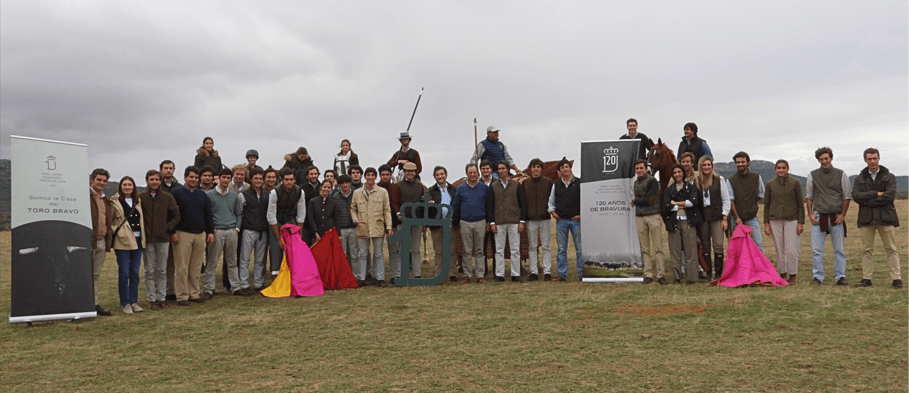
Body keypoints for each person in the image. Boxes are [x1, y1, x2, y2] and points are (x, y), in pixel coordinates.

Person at [851, 148, 903, 289]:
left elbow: (889, 196)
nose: (872, 161)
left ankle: (897, 279)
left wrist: (868, 202)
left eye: (875, 158)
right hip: (866, 219)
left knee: (891, 248)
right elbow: (856, 196)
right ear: (865, 160)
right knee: (867, 249)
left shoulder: (889, 176)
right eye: (869, 159)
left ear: (879, 158)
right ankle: (866, 279)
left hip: (886, 217)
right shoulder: (860, 178)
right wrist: (876, 193)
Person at [806, 147, 852, 286]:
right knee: (816, 249)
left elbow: (847, 196)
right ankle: (818, 277)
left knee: (839, 249)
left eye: (826, 158)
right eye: (821, 159)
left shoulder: (841, 174)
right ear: (818, 160)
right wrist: (810, 214)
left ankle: (840, 277)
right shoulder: (812, 175)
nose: (824, 161)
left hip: (836, 216)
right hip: (820, 215)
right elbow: (809, 196)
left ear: (831, 158)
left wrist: (843, 215)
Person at [170, 166, 215, 306]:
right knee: (182, 267)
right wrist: (172, 232)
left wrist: (211, 232)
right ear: (185, 177)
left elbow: (208, 215)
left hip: (200, 234)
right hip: (182, 234)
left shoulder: (202, 195)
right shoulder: (176, 193)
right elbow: (171, 214)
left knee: (195, 267)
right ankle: (182, 296)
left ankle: (194, 293)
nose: (194, 180)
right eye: (191, 177)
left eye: (196, 177)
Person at [138, 170, 180, 309]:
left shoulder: (167, 197)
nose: (154, 182)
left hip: (163, 239)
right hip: (148, 239)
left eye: (157, 179)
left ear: (160, 181)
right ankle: (152, 299)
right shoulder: (141, 197)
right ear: (147, 181)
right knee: (150, 271)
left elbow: (176, 215)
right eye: (152, 179)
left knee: (162, 270)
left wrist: (167, 228)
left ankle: (162, 298)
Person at [203, 168, 242, 300]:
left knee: (232, 262)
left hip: (231, 231)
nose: (226, 180)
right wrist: (211, 229)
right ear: (219, 178)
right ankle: (209, 289)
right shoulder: (209, 195)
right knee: (212, 262)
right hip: (217, 231)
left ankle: (235, 287)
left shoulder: (234, 196)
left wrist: (237, 228)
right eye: (223, 177)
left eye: (228, 178)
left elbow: (238, 213)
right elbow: (207, 215)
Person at [350, 167, 393, 287]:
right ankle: (361, 278)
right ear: (365, 177)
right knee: (362, 253)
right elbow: (353, 209)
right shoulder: (357, 193)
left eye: (372, 175)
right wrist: (356, 220)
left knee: (378, 253)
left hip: (377, 226)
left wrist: (388, 226)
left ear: (375, 177)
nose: (370, 177)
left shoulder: (383, 192)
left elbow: (387, 210)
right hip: (362, 226)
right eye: (368, 175)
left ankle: (379, 278)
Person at [763, 159, 804, 284]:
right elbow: (767, 205)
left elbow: (800, 204)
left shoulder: (795, 183)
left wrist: (800, 222)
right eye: (779, 168)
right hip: (774, 219)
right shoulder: (770, 184)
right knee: (779, 249)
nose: (781, 170)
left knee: (791, 248)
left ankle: (792, 274)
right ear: (775, 169)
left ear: (787, 169)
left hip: (791, 219)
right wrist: (766, 224)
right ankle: (782, 273)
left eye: (783, 168)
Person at [110, 176, 146, 314]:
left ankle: (134, 301)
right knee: (124, 273)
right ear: (120, 186)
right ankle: (125, 303)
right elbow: (111, 220)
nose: (127, 187)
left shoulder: (138, 201)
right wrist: (117, 231)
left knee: (135, 273)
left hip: (138, 241)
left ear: (133, 186)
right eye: (124, 184)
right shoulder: (115, 201)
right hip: (123, 241)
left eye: (130, 184)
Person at [452, 163, 492, 283]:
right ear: (467, 174)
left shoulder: (484, 188)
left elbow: (489, 206)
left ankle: (480, 275)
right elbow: (455, 206)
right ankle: (467, 275)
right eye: (470, 172)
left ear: (478, 173)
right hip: (465, 222)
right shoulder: (461, 188)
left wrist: (489, 221)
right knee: (467, 251)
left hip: (480, 222)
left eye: (474, 172)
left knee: (480, 250)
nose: (473, 175)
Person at [489, 161, 527, 282]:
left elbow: (523, 204)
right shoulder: (493, 186)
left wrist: (522, 221)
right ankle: (500, 275)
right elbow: (490, 206)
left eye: (503, 168)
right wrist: (492, 222)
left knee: (515, 250)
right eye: (499, 169)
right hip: (499, 221)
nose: (501, 171)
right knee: (499, 250)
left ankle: (515, 274)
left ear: (507, 170)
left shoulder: (516, 185)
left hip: (514, 221)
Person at [665, 164, 703, 284]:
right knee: (675, 251)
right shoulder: (669, 189)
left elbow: (693, 202)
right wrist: (683, 203)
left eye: (679, 172)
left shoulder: (690, 187)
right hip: (674, 222)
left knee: (690, 250)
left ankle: (691, 277)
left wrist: (675, 203)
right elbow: (667, 206)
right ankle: (677, 277)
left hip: (688, 221)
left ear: (683, 173)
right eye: (675, 172)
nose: (677, 174)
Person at [695, 156, 731, 281]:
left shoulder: (719, 179)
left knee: (718, 245)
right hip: (703, 217)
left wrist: (725, 217)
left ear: (712, 166)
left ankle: (719, 273)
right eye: (704, 165)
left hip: (717, 216)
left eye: (708, 165)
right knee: (705, 245)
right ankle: (708, 273)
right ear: (700, 166)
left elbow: (726, 200)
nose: (706, 167)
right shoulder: (696, 181)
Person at [631, 159, 667, 285]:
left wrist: (635, 201)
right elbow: (642, 199)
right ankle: (648, 274)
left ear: (646, 168)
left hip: (653, 216)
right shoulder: (635, 183)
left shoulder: (652, 181)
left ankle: (661, 275)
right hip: (640, 217)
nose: (639, 170)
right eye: (637, 169)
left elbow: (649, 200)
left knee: (658, 248)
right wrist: (639, 200)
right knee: (645, 249)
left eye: (641, 168)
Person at [267, 168, 307, 277]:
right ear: (282, 180)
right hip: (276, 220)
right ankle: (276, 274)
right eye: (286, 180)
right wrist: (279, 238)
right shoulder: (274, 192)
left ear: (294, 180)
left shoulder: (299, 191)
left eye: (291, 179)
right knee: (276, 246)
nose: (289, 182)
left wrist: (299, 232)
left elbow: (301, 213)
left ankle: (293, 272)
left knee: (294, 245)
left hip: (290, 218)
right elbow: (271, 216)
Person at [548, 158, 582, 282]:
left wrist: (581, 215)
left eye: (566, 167)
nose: (565, 169)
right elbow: (551, 201)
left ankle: (582, 274)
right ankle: (562, 274)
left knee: (579, 249)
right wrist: (552, 212)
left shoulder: (579, 182)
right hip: (561, 221)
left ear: (570, 168)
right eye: (562, 168)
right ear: (560, 170)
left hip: (576, 220)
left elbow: (585, 200)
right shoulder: (556, 184)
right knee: (561, 249)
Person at [522, 158, 554, 281]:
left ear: (541, 169)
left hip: (544, 218)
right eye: (533, 166)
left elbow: (552, 200)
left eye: (538, 167)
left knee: (546, 246)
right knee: (532, 246)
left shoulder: (548, 182)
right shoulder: (525, 183)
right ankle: (534, 272)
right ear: (530, 169)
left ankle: (547, 272)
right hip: (530, 219)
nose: (535, 169)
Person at [425, 166, 459, 282]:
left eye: (442, 174)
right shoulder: (430, 191)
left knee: (451, 250)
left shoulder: (453, 189)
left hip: (450, 223)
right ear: (435, 177)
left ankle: (452, 273)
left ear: (446, 175)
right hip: (437, 224)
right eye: (437, 175)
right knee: (439, 251)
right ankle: (439, 273)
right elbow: (426, 208)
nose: (440, 176)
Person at [393, 162, 427, 279]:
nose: (410, 173)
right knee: (402, 248)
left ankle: (417, 274)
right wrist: (398, 213)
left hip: (416, 222)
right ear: (404, 172)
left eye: (412, 171)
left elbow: (423, 202)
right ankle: (401, 273)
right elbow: (394, 202)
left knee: (416, 249)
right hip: (402, 222)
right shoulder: (398, 186)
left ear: (415, 172)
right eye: (407, 171)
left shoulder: (420, 186)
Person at [239, 168, 270, 293]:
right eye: (256, 178)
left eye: (260, 178)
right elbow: (239, 213)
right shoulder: (243, 195)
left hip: (263, 231)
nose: (258, 181)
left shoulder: (267, 195)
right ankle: (244, 284)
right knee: (245, 259)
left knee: (260, 259)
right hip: (248, 230)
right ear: (251, 179)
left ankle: (258, 284)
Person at [727, 151, 765, 253]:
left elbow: (760, 195)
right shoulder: (731, 180)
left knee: (758, 245)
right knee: (737, 248)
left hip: (752, 217)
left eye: (742, 162)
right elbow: (731, 200)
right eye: (738, 162)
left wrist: (750, 204)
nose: (740, 164)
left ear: (748, 163)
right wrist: (736, 217)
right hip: (735, 219)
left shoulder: (756, 177)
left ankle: (760, 268)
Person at [89, 168, 114, 316]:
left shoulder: (105, 200)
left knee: (95, 274)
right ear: (92, 180)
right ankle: (80, 303)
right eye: (99, 180)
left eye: (104, 181)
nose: (101, 183)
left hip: (102, 241)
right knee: (82, 274)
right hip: (88, 242)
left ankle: (93, 303)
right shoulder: (84, 197)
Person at [158, 160, 180, 302]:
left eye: (171, 168)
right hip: (159, 230)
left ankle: (170, 290)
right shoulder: (156, 186)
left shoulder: (178, 188)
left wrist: (173, 230)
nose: (168, 171)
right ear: (161, 170)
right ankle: (159, 291)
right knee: (159, 264)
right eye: (166, 168)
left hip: (175, 229)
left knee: (172, 263)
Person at [376, 165, 402, 283]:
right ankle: (377, 275)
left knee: (394, 250)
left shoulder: (395, 188)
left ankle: (395, 274)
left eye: (387, 174)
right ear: (380, 175)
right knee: (377, 251)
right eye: (383, 175)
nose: (385, 177)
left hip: (393, 223)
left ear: (391, 175)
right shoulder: (376, 188)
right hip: (378, 224)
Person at [332, 175, 359, 271]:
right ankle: (344, 278)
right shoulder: (335, 197)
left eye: (346, 182)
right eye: (342, 183)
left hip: (353, 228)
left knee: (354, 254)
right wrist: (338, 232)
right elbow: (334, 216)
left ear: (350, 183)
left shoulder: (355, 195)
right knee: (342, 255)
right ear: (339, 185)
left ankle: (356, 276)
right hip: (342, 229)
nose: (345, 185)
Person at [300, 165, 322, 245]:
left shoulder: (322, 187)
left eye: (315, 174)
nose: (313, 176)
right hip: (306, 224)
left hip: (319, 223)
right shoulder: (302, 188)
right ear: (307, 176)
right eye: (311, 174)